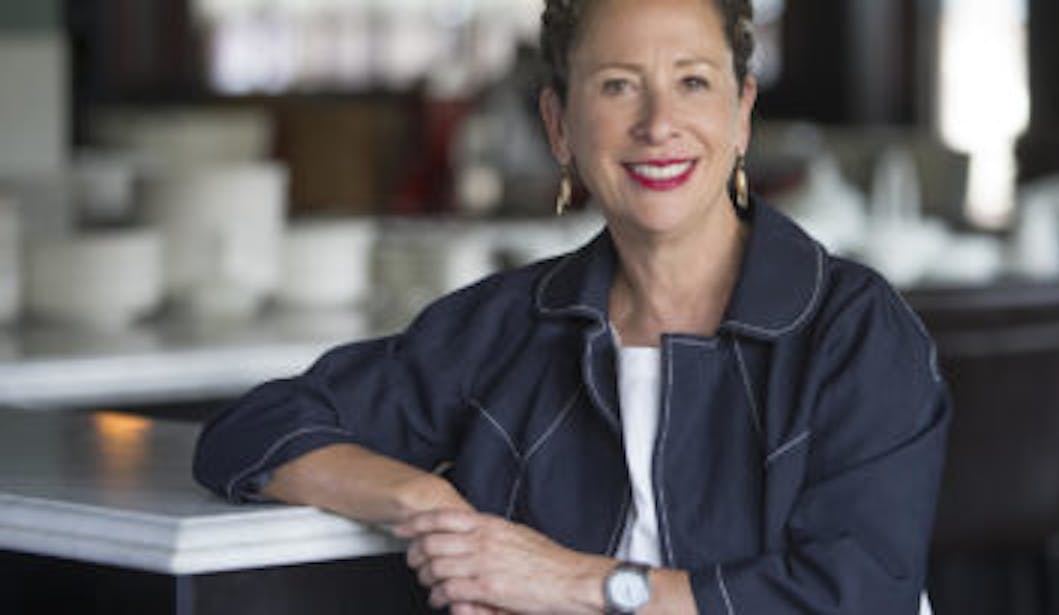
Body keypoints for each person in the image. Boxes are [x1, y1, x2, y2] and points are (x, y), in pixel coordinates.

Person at [193, 0, 950, 612]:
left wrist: (571, 582)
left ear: (741, 111)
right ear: (559, 125)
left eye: (692, 82)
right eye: (618, 85)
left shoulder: (851, 328)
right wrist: (434, 507)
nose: (659, 124)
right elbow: (253, 432)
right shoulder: (509, 326)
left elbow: (855, 597)